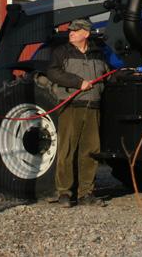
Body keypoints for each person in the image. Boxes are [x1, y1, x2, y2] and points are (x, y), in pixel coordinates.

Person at [44, 18, 109, 206]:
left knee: (90, 151)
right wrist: (77, 82)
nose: (70, 33)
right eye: (70, 30)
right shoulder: (61, 52)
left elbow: (108, 73)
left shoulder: (98, 54)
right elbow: (53, 73)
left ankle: (86, 193)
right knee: (67, 149)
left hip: (92, 107)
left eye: (75, 30)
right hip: (70, 106)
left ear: (86, 34)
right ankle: (64, 193)